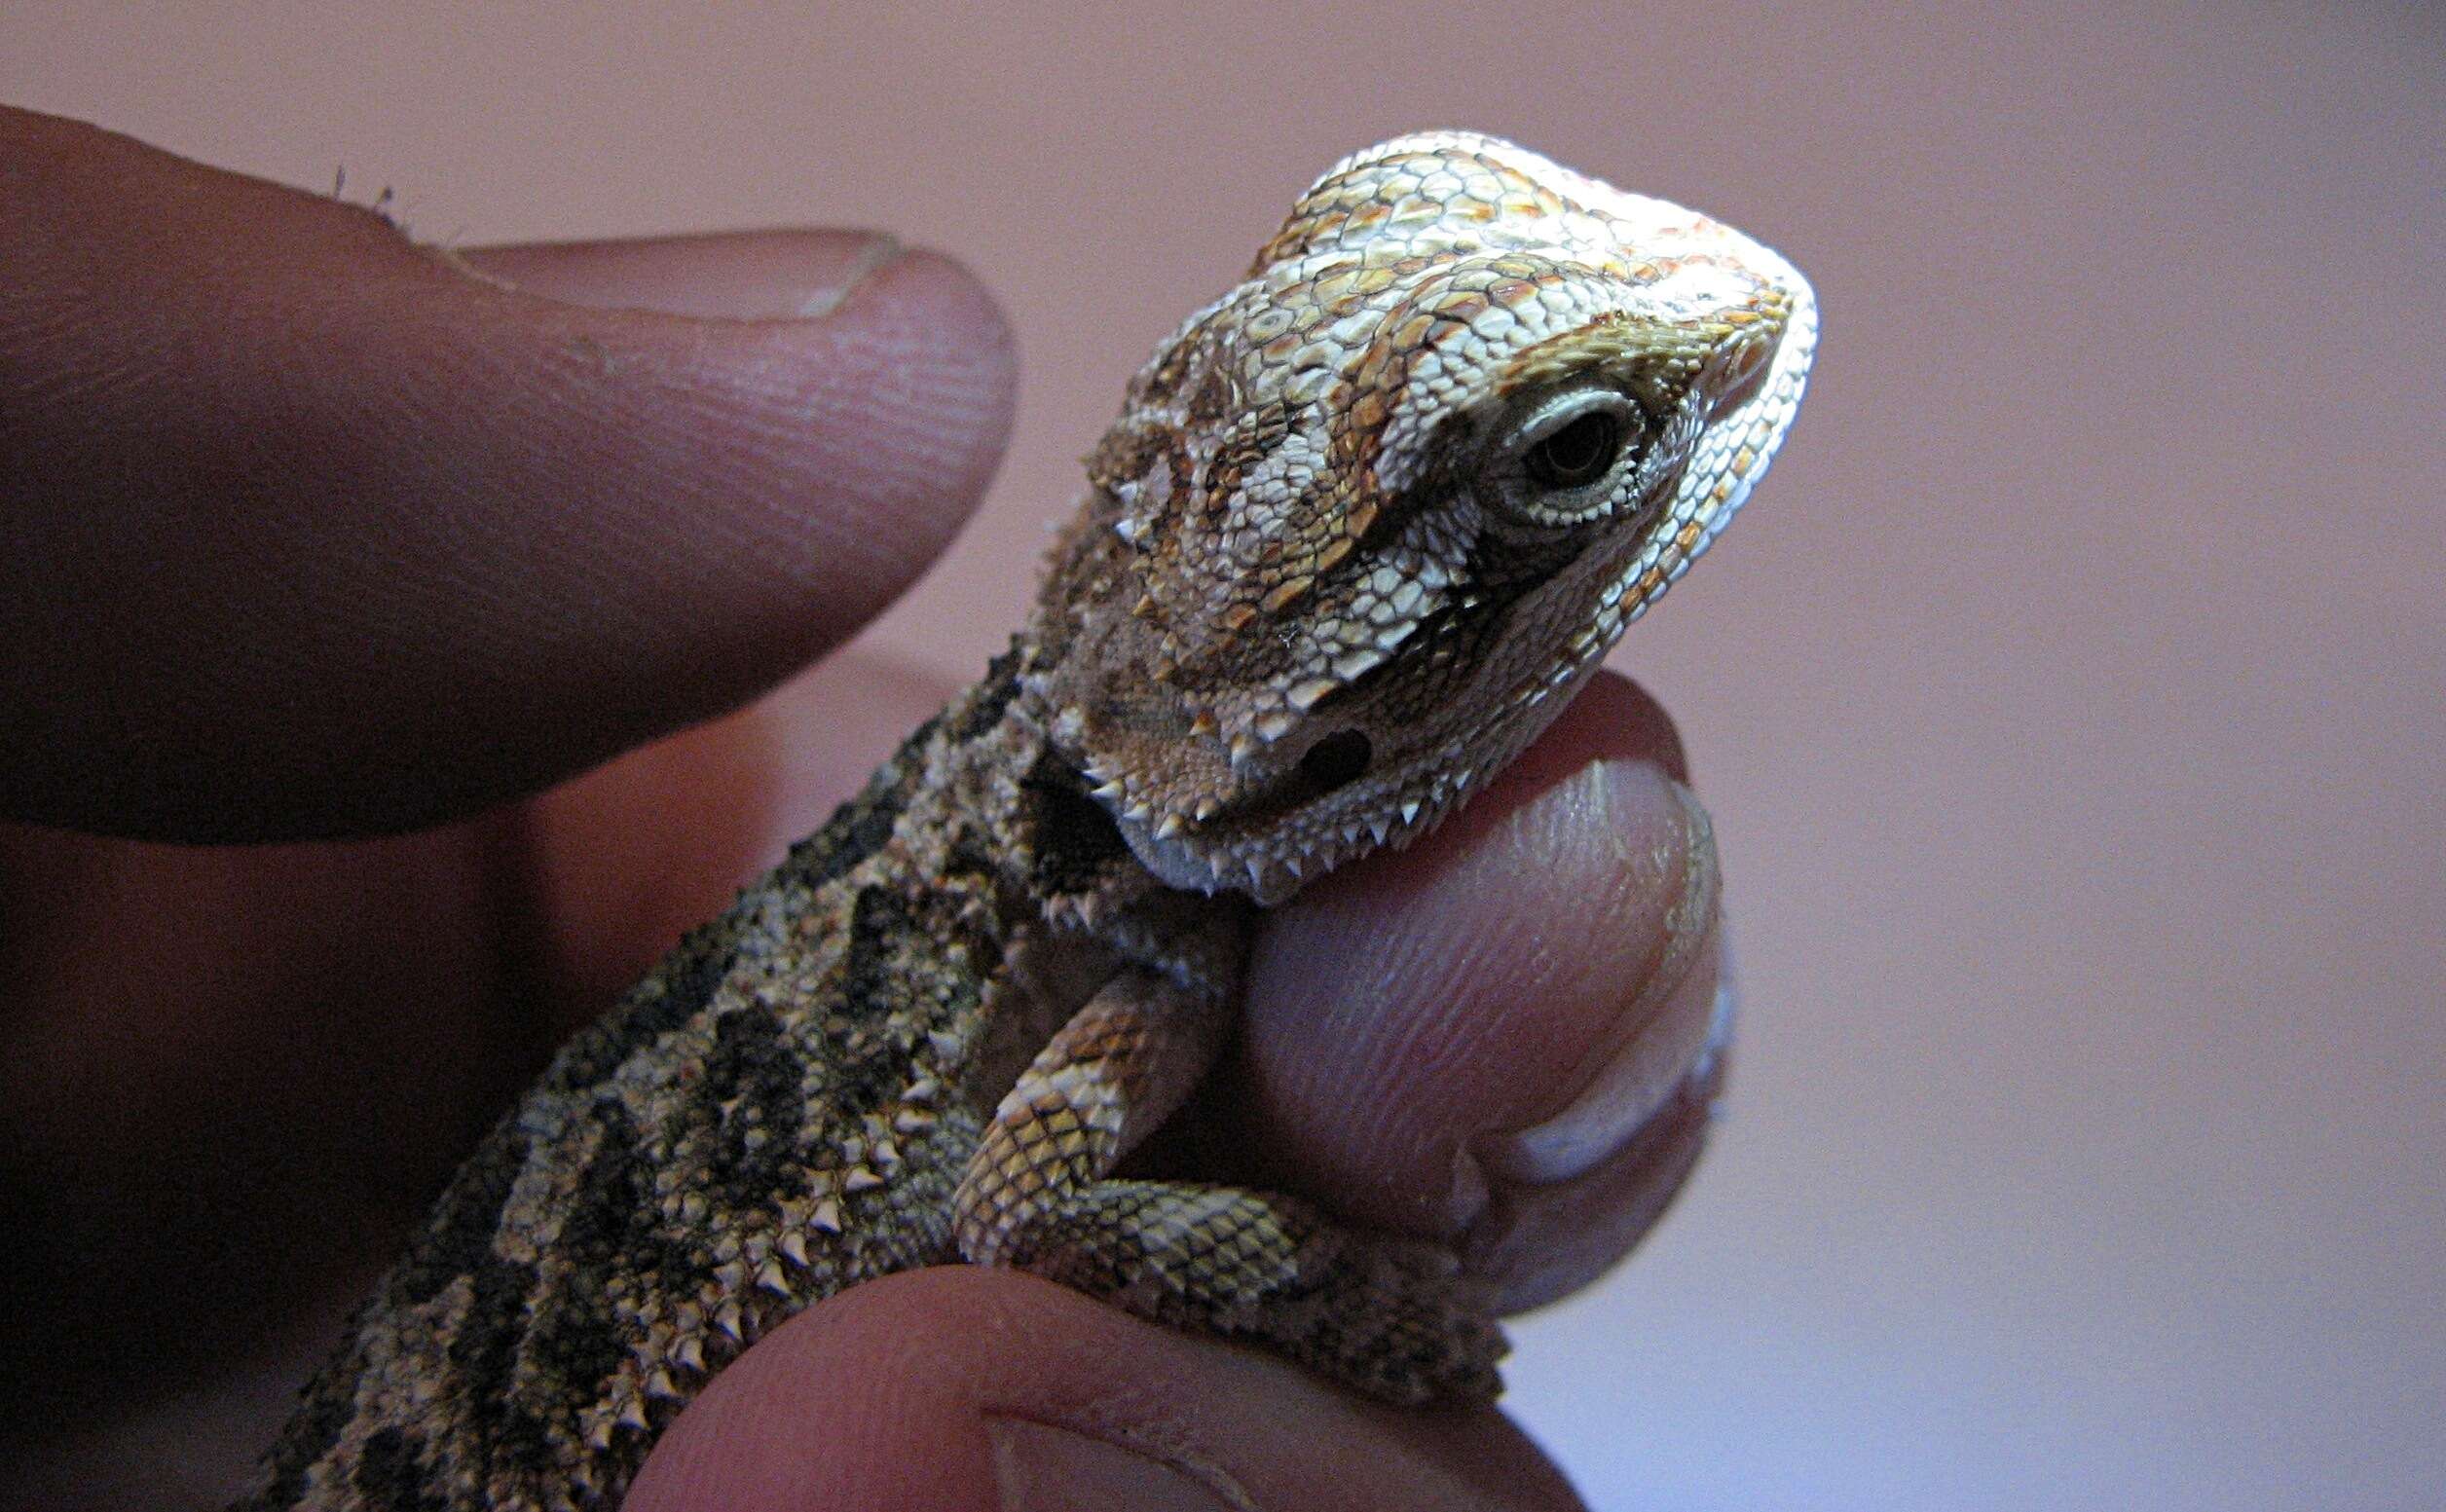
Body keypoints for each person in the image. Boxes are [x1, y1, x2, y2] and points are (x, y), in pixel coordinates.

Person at [1, 106, 1729, 1511]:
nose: (1736, 316)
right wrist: (1340, 1288)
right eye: (1578, 452)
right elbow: (1030, 1203)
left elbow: (1020, 1198)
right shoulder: (1118, 937)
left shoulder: (1113, 884)